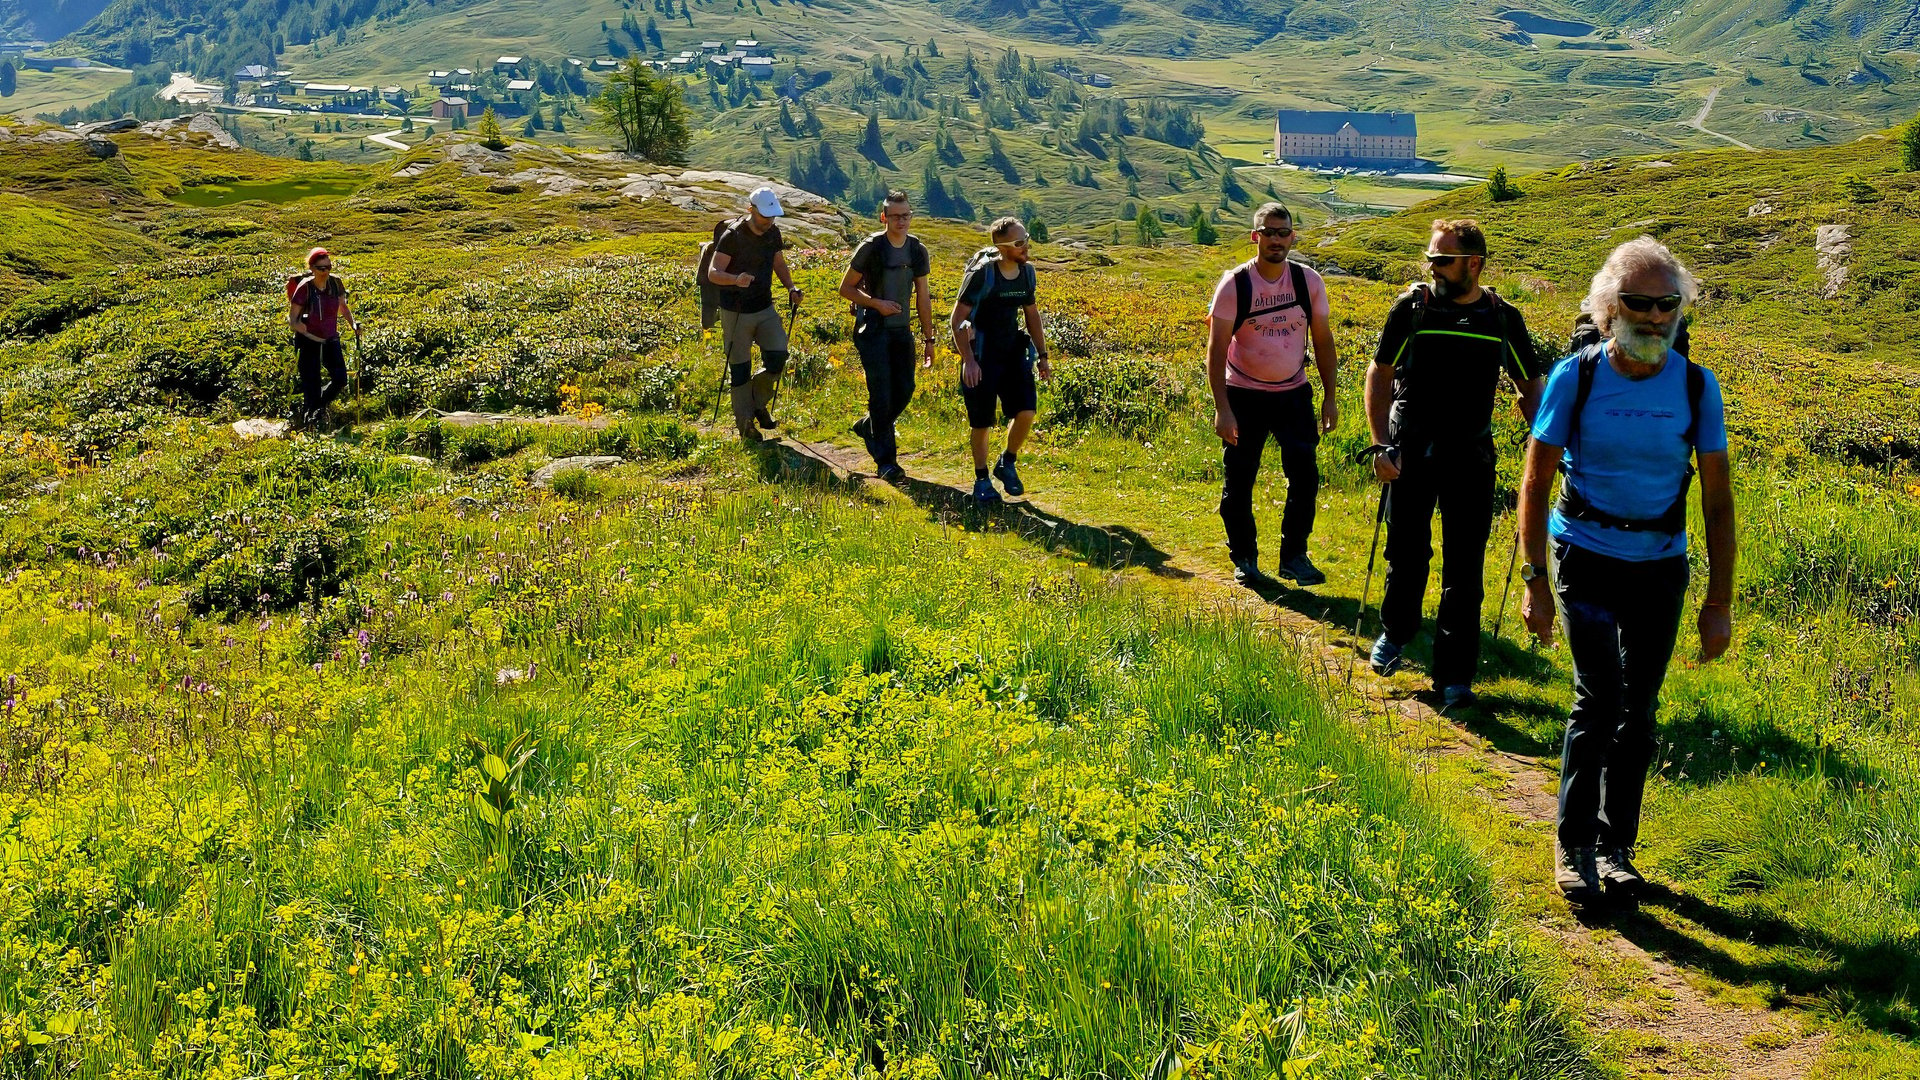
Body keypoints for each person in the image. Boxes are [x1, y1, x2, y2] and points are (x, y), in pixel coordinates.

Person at [1518, 236, 1735, 905]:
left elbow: (1718, 500)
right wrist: (1534, 582)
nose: (1652, 318)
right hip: (1585, 553)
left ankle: (1617, 848)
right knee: (1600, 699)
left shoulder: (1697, 387)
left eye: (1666, 305)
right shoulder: (1575, 377)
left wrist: (1718, 603)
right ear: (1609, 308)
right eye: (1638, 304)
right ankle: (1574, 845)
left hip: (1660, 564)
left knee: (1638, 711)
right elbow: (1535, 479)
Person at [1365, 219, 1545, 708]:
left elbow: (1530, 385)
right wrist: (1381, 444)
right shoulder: (1413, 309)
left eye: (1443, 259)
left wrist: (1545, 442)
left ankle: (1455, 676)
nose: (1434, 268)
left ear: (1474, 263)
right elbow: (1379, 375)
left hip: (1471, 455)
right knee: (1407, 555)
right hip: (1410, 451)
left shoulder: (1503, 318)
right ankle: (1397, 631)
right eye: (1431, 259)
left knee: (1464, 569)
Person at [1207, 201, 1338, 589]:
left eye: (1283, 233)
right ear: (1255, 237)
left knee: (1305, 476)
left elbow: (1323, 341)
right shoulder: (1235, 284)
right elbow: (1215, 352)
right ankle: (1244, 558)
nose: (1276, 240)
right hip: (1243, 395)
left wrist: (1330, 397)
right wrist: (1222, 409)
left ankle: (1294, 557)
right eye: (1269, 232)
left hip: (1294, 394)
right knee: (1240, 477)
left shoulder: (1308, 281)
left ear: (1293, 236)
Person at [951, 217, 1051, 503]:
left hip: (1012, 354)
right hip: (981, 356)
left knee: (1027, 411)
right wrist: (968, 360)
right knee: (982, 423)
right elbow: (957, 320)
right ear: (1003, 247)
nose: (1026, 246)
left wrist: (1043, 356)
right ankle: (981, 480)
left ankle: (1007, 462)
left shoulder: (1026, 273)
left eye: (1026, 239)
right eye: (1019, 243)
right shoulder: (983, 275)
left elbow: (1032, 315)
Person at [839, 190, 933, 482]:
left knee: (904, 389)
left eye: (906, 215)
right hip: (873, 331)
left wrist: (929, 339)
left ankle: (870, 427)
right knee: (880, 394)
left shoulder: (917, 250)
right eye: (895, 216)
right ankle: (886, 462)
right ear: (884, 217)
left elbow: (924, 296)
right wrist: (877, 304)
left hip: (902, 331)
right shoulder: (871, 248)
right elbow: (846, 289)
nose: (901, 220)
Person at [706, 186, 803, 441]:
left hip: (764, 307)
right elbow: (713, 272)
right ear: (751, 210)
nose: (769, 221)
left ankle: (757, 402)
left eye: (773, 217)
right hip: (735, 311)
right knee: (740, 368)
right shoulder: (732, 236)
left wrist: (791, 287)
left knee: (778, 356)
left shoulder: (773, 233)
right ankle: (746, 425)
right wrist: (736, 279)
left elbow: (778, 263)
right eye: (765, 216)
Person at [288, 247, 359, 430]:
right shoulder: (305, 287)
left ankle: (317, 409)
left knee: (340, 379)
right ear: (312, 268)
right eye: (321, 268)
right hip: (308, 340)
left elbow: (342, 306)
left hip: (330, 338)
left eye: (329, 267)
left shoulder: (336, 283)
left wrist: (353, 324)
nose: (326, 271)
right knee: (311, 384)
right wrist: (301, 328)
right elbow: (292, 319)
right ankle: (310, 424)